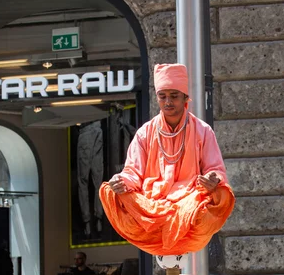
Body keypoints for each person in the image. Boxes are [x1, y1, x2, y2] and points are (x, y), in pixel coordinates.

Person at [99, 63, 235, 256]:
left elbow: (215, 170)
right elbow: (133, 172)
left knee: (207, 208)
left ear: (186, 98)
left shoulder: (203, 130)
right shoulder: (145, 133)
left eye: (174, 96)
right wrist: (122, 182)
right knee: (110, 194)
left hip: (190, 200)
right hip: (151, 204)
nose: (168, 102)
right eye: (162, 96)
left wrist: (213, 179)